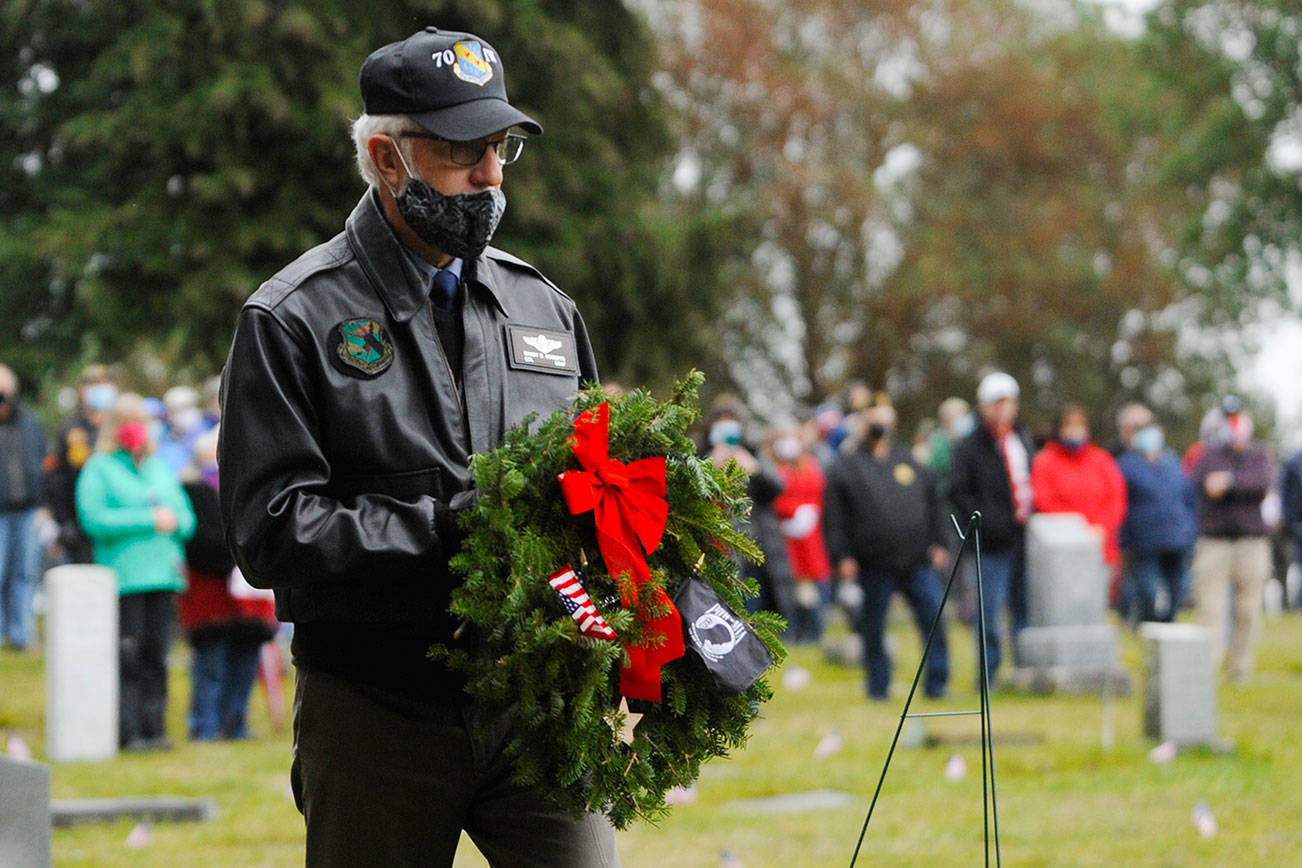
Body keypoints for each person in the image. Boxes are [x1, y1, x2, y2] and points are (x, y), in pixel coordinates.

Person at [217, 27, 618, 866]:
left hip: (532, 696)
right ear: (386, 157)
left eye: (501, 147)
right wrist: (446, 528)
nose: (492, 174)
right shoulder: (292, 317)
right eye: (463, 150)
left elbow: (595, 484)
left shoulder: (542, 307)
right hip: (376, 711)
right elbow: (270, 530)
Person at [76, 392, 195, 750]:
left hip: (163, 575)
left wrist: (171, 522)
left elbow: (185, 519)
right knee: (127, 656)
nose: (135, 428)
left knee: (156, 656)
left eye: (139, 420)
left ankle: (154, 728)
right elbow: (94, 518)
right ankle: (128, 732)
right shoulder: (100, 467)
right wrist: (149, 520)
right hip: (125, 580)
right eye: (126, 421)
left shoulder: (159, 467)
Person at [824, 401, 950, 700]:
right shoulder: (846, 467)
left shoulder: (910, 461)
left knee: (933, 618)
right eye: (872, 420)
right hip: (873, 562)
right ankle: (878, 687)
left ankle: (937, 683)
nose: (878, 426)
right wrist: (841, 556)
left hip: (917, 559)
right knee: (874, 626)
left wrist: (940, 542)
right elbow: (833, 517)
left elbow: (934, 503)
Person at [178, 428, 277, 741]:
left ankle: (236, 724)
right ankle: (204, 726)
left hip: (250, 594)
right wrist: (234, 554)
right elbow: (197, 540)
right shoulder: (193, 492)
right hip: (210, 590)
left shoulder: (251, 486)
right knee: (211, 664)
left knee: (245, 660)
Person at [949, 371, 1033, 685]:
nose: (1003, 410)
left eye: (1008, 403)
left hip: (1021, 538)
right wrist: (986, 521)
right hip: (989, 543)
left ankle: (1024, 671)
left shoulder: (1020, 439)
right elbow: (958, 491)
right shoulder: (970, 447)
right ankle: (989, 674)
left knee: (1023, 608)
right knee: (988, 613)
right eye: (996, 404)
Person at [1189, 398, 1275, 682]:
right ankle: (1207, 669)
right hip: (1214, 541)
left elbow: (1260, 484)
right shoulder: (1209, 453)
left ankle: (1240, 669)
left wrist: (1228, 483)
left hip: (1251, 541)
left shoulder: (1260, 453)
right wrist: (1235, 484)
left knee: (1248, 609)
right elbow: (1200, 484)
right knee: (1210, 608)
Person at [1030, 403, 1128, 604]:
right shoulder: (1045, 461)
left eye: (1079, 426)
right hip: (1061, 548)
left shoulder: (1101, 460)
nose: (1075, 432)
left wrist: (1101, 528)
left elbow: (1116, 498)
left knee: (1095, 603)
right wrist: (1077, 529)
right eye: (1069, 426)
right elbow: (1043, 500)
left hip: (1100, 546)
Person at [1117, 424, 1197, 623]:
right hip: (1143, 539)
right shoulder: (1127, 465)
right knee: (1148, 589)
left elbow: (1188, 498)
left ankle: (1167, 623)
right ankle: (1148, 623)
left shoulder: (1173, 462)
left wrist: (1189, 529)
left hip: (1177, 537)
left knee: (1178, 587)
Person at [46, 364, 117, 565]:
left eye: (104, 384)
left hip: (116, 524)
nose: (100, 390)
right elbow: (55, 480)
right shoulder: (68, 430)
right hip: (79, 525)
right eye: (93, 385)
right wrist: (64, 522)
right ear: (81, 391)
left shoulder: (118, 427)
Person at [769, 420, 832, 642]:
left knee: (811, 590)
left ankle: (812, 633)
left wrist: (807, 511)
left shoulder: (810, 467)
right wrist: (792, 511)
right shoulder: (775, 469)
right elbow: (775, 499)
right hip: (784, 537)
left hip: (807, 539)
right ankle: (792, 632)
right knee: (789, 589)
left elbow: (816, 494)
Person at [0, 365, 48, 651]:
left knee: (25, 571)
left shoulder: (29, 422)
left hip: (27, 509)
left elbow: (41, 462)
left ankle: (21, 632)